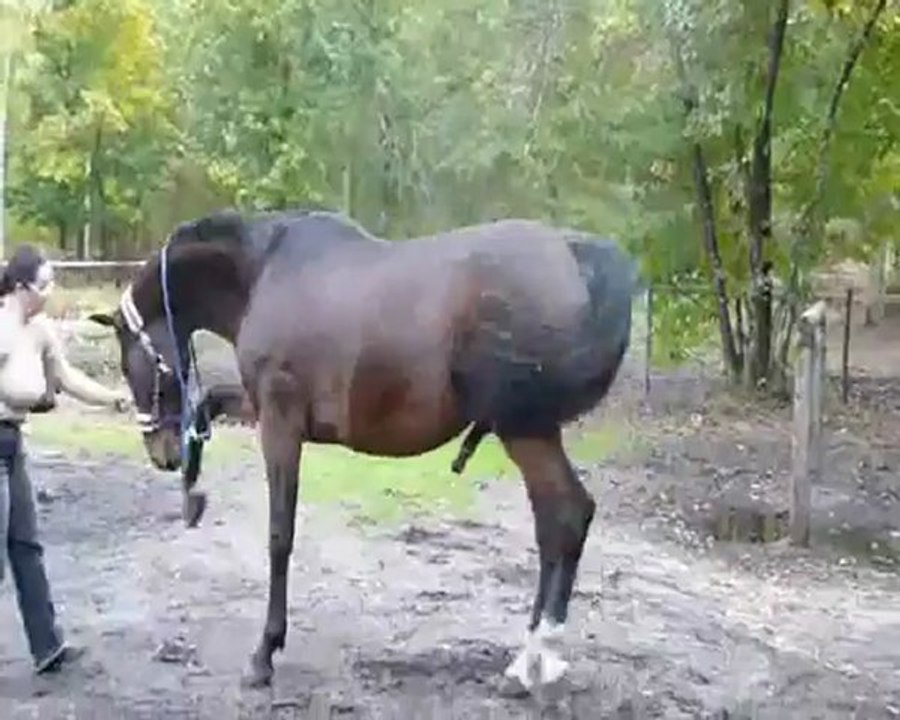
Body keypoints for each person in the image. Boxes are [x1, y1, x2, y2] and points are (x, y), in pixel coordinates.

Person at [0, 244, 130, 674]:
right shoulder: (2, 325)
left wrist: (112, 398)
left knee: (26, 545)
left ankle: (48, 646)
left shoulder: (39, 330)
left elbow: (67, 378)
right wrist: (29, 394)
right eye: (44, 284)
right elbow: (19, 388)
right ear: (20, 288)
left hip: (11, 443)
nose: (50, 291)